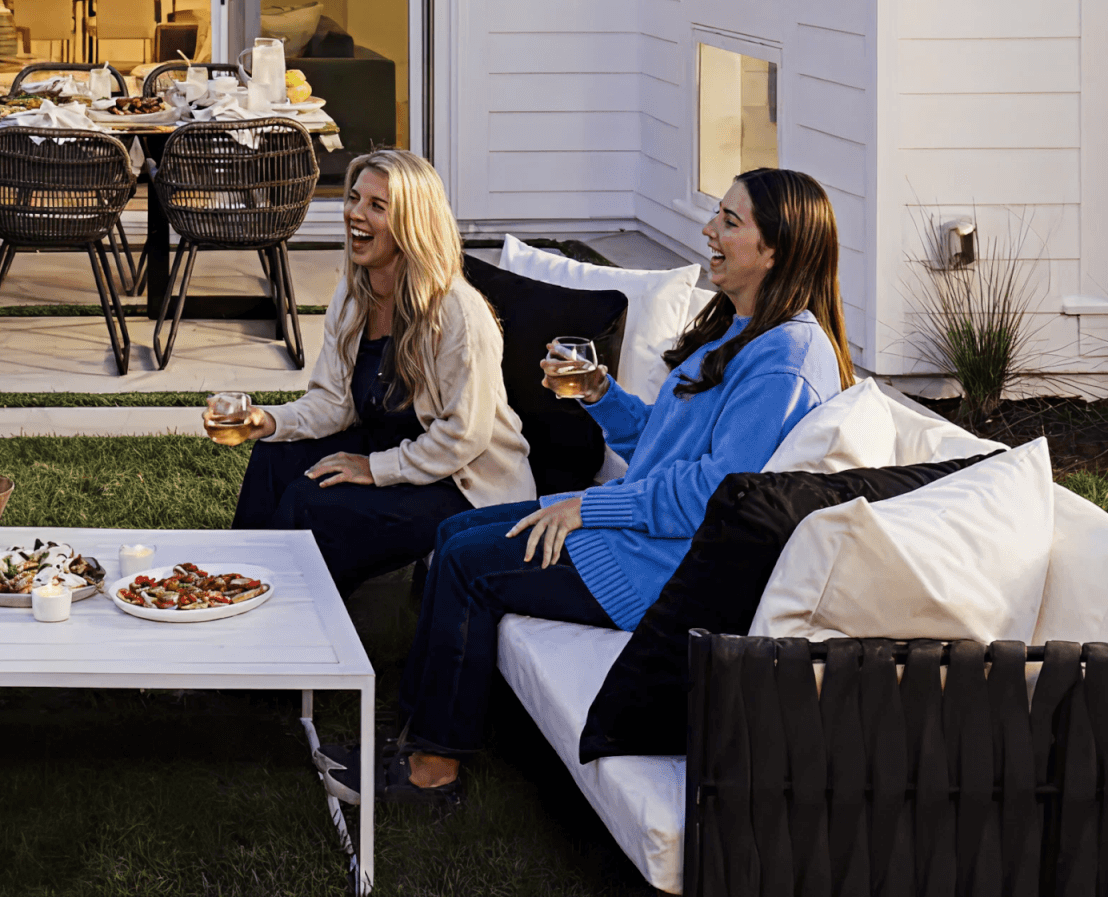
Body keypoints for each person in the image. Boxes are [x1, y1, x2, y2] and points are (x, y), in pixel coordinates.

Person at [378, 167, 855, 807]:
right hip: (635, 529)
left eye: (730, 222)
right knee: (454, 532)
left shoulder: (786, 361)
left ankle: (433, 771)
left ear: (778, 250)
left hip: (658, 566)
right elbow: (668, 445)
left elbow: (717, 491)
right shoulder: (742, 326)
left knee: (468, 565)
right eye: (717, 213)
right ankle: (417, 732)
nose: (709, 229)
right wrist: (601, 394)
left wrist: (589, 507)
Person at [222, 149, 534, 596]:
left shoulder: (457, 312)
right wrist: (269, 421)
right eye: (353, 199)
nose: (354, 214)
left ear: (412, 224)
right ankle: (235, 585)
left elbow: (463, 437)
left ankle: (291, 613)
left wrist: (374, 467)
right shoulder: (354, 292)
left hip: (462, 484)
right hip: (397, 446)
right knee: (275, 457)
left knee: (312, 502)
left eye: (376, 206)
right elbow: (333, 402)